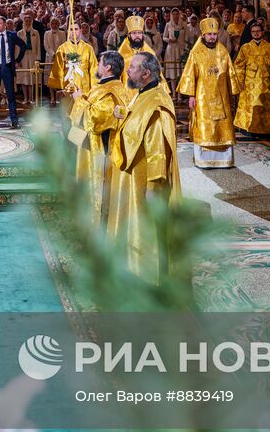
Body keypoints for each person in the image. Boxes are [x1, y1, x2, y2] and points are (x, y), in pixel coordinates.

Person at [108, 51, 181, 284]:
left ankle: (147, 276)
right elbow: (136, 119)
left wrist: (153, 186)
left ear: (146, 73)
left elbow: (159, 148)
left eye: (132, 67)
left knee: (144, 227)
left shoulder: (157, 105)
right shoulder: (144, 93)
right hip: (132, 176)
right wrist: (122, 114)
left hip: (143, 180)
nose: (127, 71)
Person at [69, 51, 129, 226]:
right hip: (89, 144)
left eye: (99, 63)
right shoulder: (104, 86)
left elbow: (95, 121)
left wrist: (79, 101)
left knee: (97, 187)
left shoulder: (112, 92)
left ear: (108, 67)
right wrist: (81, 97)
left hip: (100, 149)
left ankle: (97, 222)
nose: (97, 66)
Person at [177, 17, 238, 168]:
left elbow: (230, 73)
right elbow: (190, 75)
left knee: (222, 125)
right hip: (202, 97)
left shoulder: (223, 51)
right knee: (204, 126)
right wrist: (191, 96)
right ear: (203, 35)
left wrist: (233, 93)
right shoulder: (196, 52)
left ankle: (224, 160)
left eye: (214, 34)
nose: (212, 37)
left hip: (221, 95)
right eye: (209, 34)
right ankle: (203, 161)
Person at [230, 19, 270, 138]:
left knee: (265, 106)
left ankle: (267, 129)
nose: (256, 33)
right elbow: (239, 66)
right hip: (249, 82)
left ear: (262, 32)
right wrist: (240, 81)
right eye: (253, 31)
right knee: (250, 106)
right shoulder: (245, 48)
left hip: (266, 82)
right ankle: (248, 128)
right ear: (251, 33)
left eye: (258, 31)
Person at [47, 19, 99, 118]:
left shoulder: (88, 48)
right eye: (71, 29)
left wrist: (94, 89)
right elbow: (58, 70)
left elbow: (94, 69)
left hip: (84, 89)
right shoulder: (62, 49)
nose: (73, 32)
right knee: (67, 118)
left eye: (76, 29)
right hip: (67, 90)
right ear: (67, 31)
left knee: (83, 118)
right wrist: (60, 89)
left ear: (80, 30)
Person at [0, 15, 23, 130]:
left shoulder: (12, 35)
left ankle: (14, 121)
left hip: (7, 68)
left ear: (5, 24)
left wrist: (17, 60)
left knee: (11, 96)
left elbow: (23, 46)